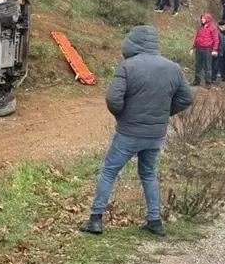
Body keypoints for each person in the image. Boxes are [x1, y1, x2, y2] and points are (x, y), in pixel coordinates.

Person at [80, 25, 194, 236]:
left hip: (129, 132)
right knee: (149, 174)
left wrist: (122, 116)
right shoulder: (173, 68)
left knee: (109, 171)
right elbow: (187, 98)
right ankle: (155, 220)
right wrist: (163, 114)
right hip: (156, 134)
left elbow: (113, 99)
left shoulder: (127, 67)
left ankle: (95, 219)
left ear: (132, 44)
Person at [192, 13, 220, 86]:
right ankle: (197, 80)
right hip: (199, 48)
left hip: (207, 49)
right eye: (202, 18)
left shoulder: (213, 28)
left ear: (208, 19)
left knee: (207, 66)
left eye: (204, 18)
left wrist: (214, 50)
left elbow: (216, 40)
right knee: (198, 65)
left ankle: (208, 82)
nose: (202, 19)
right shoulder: (200, 27)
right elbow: (197, 38)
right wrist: (193, 47)